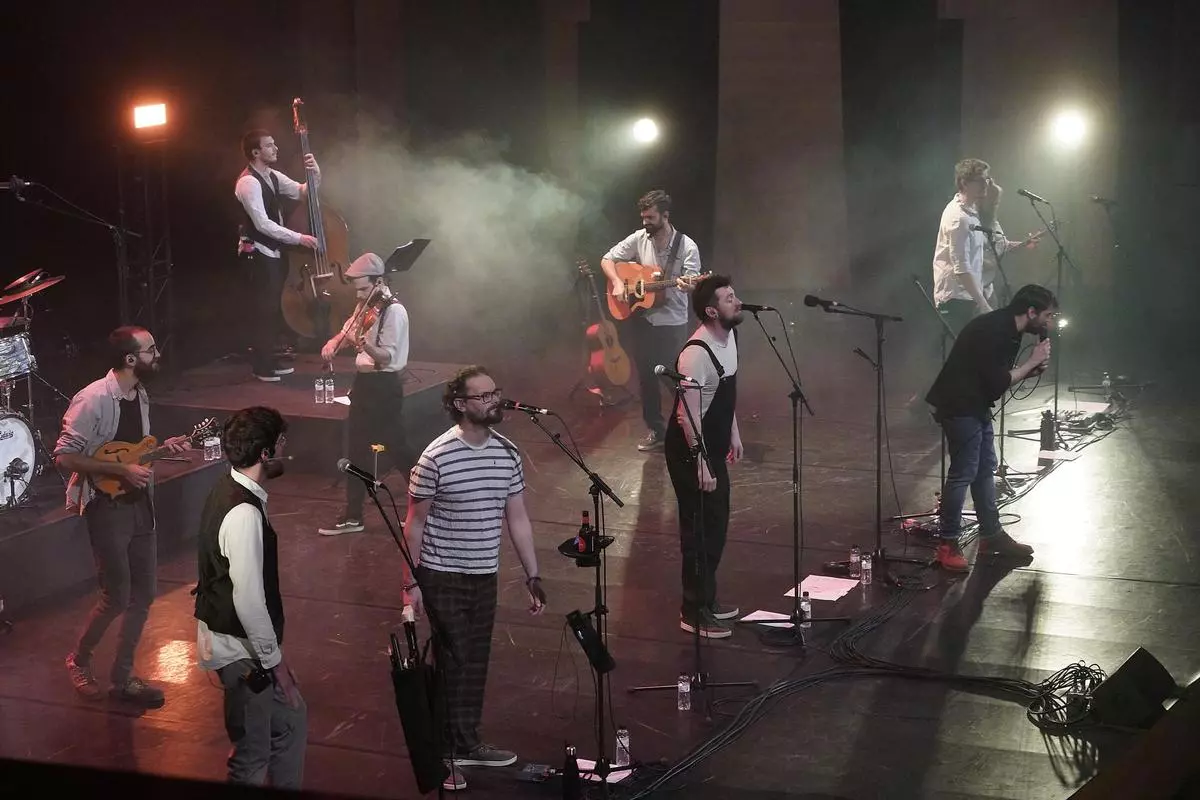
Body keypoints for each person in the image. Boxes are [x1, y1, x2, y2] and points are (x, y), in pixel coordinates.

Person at [402, 366, 547, 793]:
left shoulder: (507, 453)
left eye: (494, 393)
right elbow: (414, 524)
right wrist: (410, 584)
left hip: (485, 573)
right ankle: (443, 755)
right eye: (482, 396)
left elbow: (517, 517)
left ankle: (466, 741)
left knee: (475, 661)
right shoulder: (436, 457)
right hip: (442, 573)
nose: (493, 401)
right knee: (452, 662)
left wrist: (533, 574)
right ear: (460, 404)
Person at [57, 326, 191, 707]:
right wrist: (121, 471)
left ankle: (123, 676)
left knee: (144, 594)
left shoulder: (140, 394)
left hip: (140, 506)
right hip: (107, 507)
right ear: (131, 359)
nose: (157, 355)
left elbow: (133, 452)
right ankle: (79, 659)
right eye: (151, 350)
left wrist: (162, 449)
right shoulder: (92, 399)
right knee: (116, 597)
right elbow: (64, 456)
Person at [194, 406, 305, 788]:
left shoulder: (229, 489)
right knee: (252, 755)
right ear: (265, 452)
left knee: (290, 722)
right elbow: (249, 601)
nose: (286, 449)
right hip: (242, 653)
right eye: (281, 442)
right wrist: (277, 665)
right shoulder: (243, 512)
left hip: (238, 647)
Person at [925, 284, 1057, 571]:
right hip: (959, 404)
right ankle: (947, 544)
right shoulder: (994, 330)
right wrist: (1031, 363)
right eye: (1047, 315)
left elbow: (995, 379)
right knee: (963, 472)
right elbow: (997, 382)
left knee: (985, 468)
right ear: (1031, 311)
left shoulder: (1010, 330)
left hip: (975, 402)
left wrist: (1030, 369)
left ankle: (991, 535)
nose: (1049, 322)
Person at [664, 275, 744, 639]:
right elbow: (687, 415)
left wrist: (733, 432)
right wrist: (700, 463)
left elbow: (725, 392)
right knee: (698, 530)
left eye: (734, 295)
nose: (737, 301)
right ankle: (693, 611)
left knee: (716, 525)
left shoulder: (730, 338)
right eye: (729, 298)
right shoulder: (696, 353)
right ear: (712, 311)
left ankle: (707, 600)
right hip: (689, 451)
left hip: (712, 445)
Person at [317, 253, 413, 535]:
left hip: (384, 385)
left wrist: (364, 346)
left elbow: (386, 356)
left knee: (398, 448)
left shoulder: (394, 312)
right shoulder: (366, 305)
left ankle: (427, 505)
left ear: (379, 281)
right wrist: (333, 342)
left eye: (363, 288)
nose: (359, 295)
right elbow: (347, 331)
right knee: (357, 450)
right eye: (357, 289)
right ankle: (353, 516)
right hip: (364, 385)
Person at [600, 189, 702, 451]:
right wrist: (617, 283)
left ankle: (691, 428)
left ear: (665, 216)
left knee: (672, 376)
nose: (645, 222)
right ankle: (656, 430)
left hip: (672, 322)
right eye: (643, 217)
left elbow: (693, 282)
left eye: (650, 218)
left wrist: (688, 285)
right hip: (644, 320)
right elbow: (607, 259)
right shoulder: (639, 238)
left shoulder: (686, 246)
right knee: (646, 377)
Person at [235, 128, 320, 382]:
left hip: (273, 251)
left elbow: (303, 192)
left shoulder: (271, 176)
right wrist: (299, 238)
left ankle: (269, 359)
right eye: (269, 145)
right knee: (264, 310)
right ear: (256, 152)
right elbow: (262, 224)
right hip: (257, 252)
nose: (275, 149)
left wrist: (314, 172)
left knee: (273, 309)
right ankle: (261, 366)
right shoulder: (248, 182)